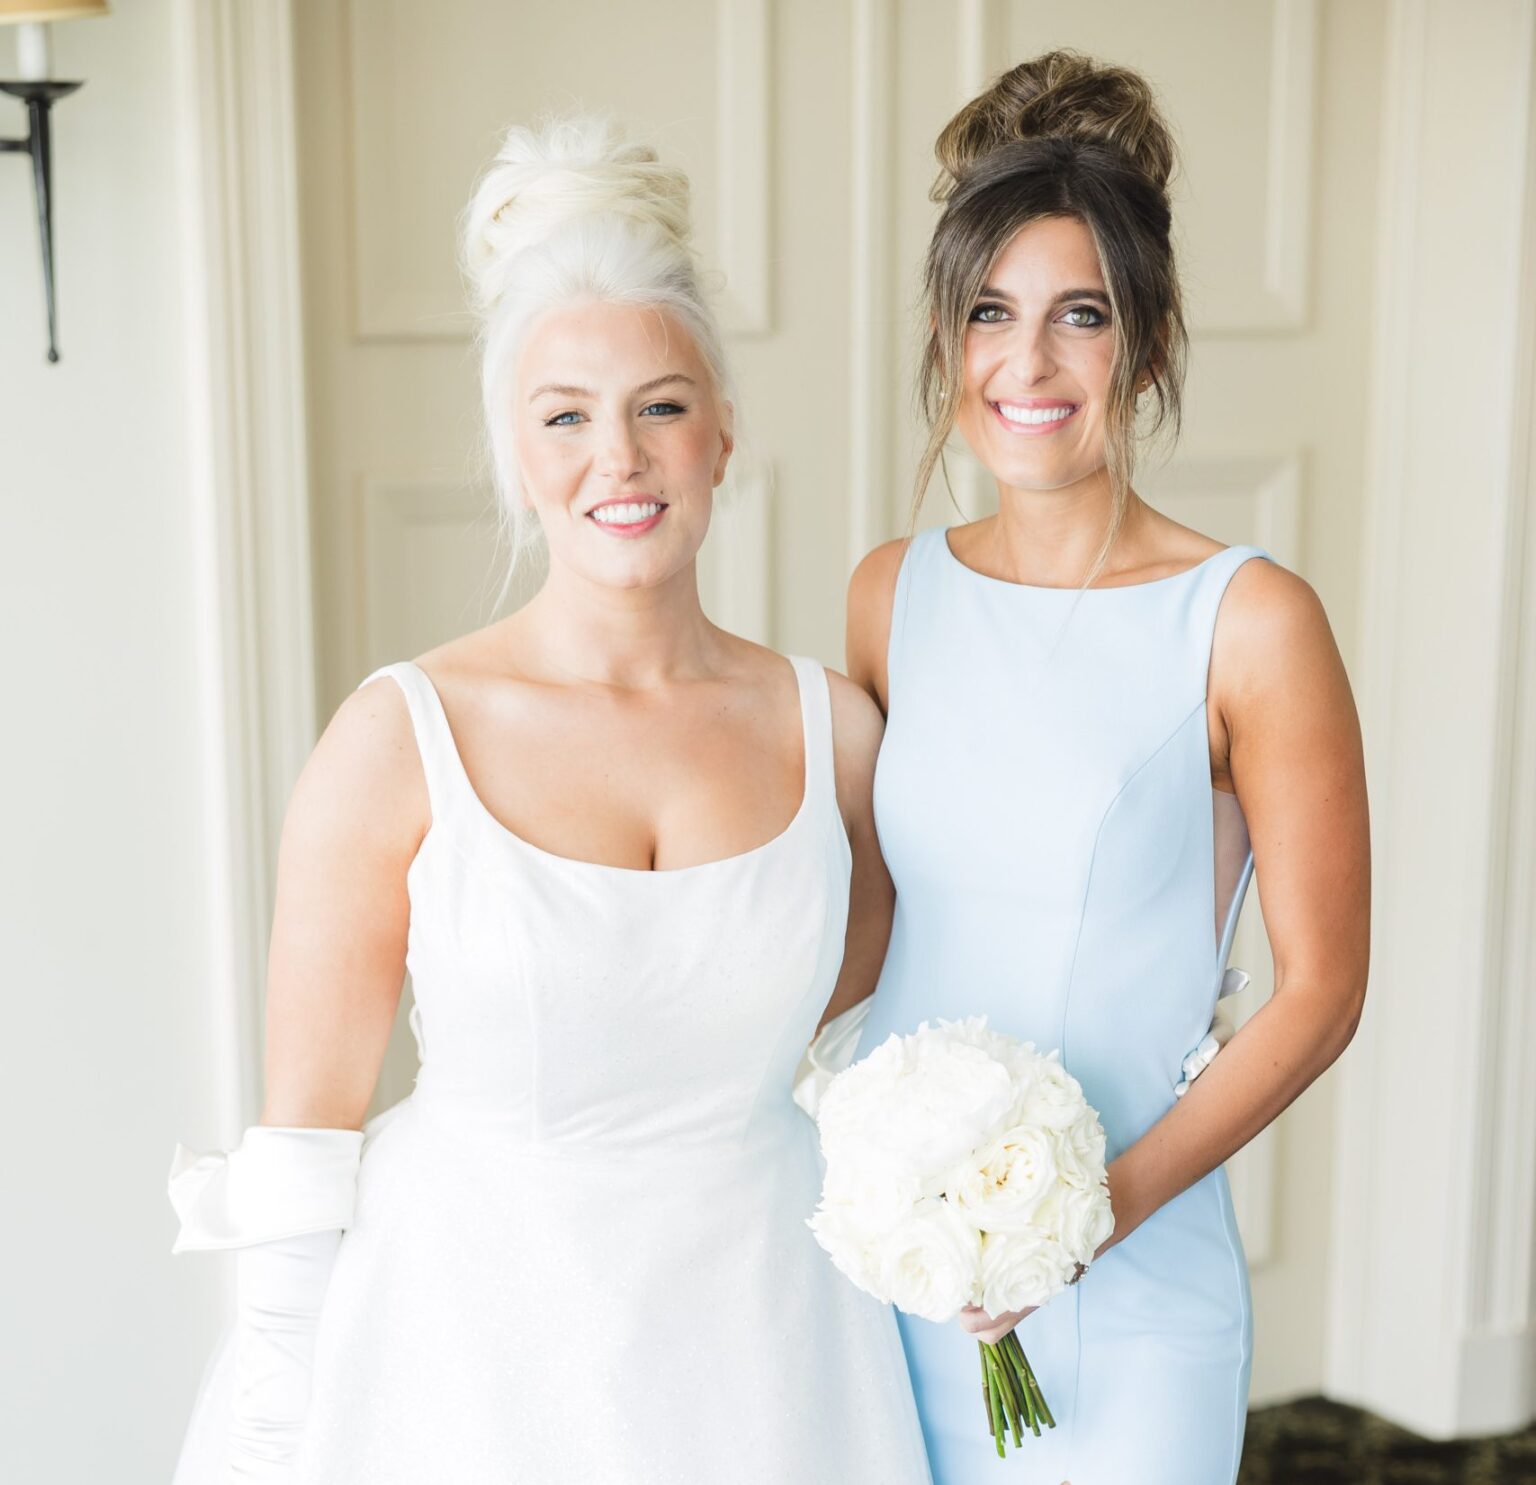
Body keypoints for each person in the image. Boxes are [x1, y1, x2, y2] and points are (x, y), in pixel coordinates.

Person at [167, 115, 931, 1485]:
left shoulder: (839, 735)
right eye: (564, 416)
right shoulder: (400, 739)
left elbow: (868, 1040)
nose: (617, 458)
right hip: (467, 1363)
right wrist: (276, 1429)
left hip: (771, 1360)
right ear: (518, 457)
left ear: (723, 435)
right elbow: (302, 1138)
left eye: (661, 406)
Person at [844, 51, 1370, 1484]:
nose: (1027, 366)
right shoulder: (891, 596)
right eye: (989, 314)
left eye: (1080, 316)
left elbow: (1322, 991)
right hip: (900, 1280)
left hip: (1128, 1293)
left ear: (1143, 343)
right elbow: (881, 925)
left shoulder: (1251, 623)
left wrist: (1083, 1214)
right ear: (948, 339)